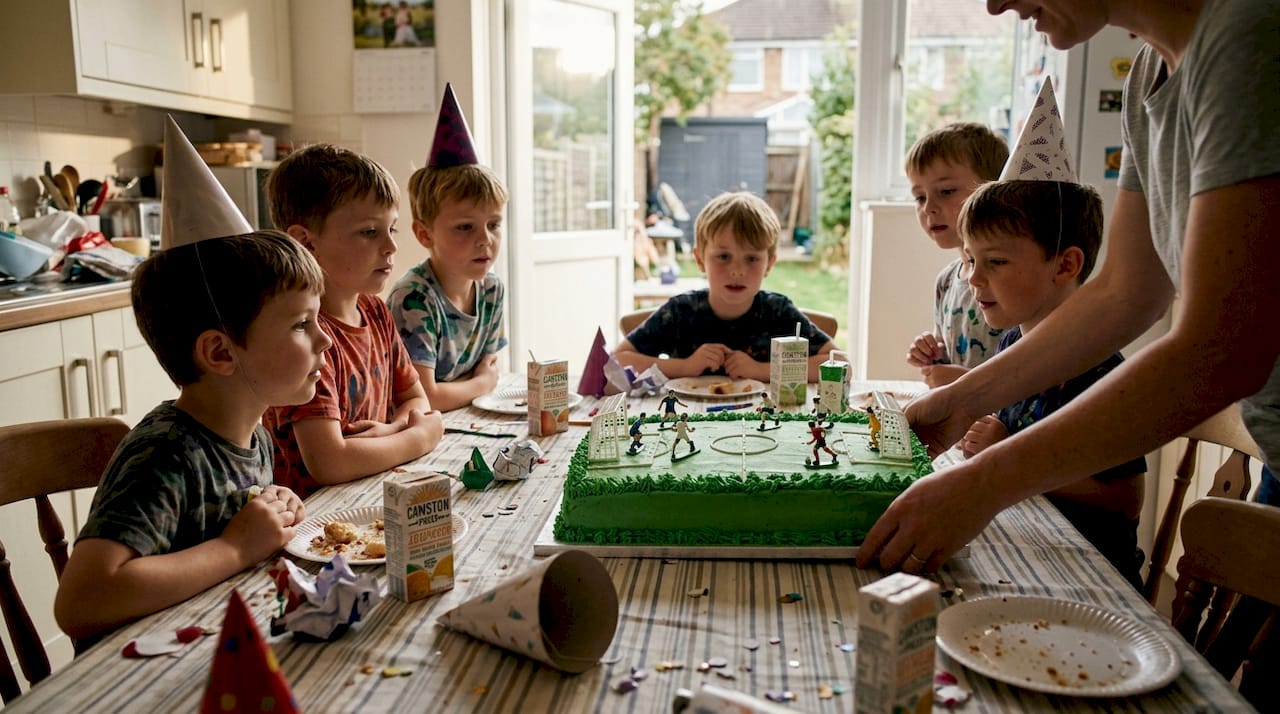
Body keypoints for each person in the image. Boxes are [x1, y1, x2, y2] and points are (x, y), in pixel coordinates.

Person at [859, 1, 1280, 592]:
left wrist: (986, 482)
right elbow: (1123, 293)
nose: (994, 4)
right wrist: (959, 401)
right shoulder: (1144, 79)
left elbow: (1224, 346)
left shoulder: (1251, 38)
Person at [54, 118, 325, 643]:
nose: (325, 340)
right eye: (300, 324)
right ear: (220, 352)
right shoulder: (167, 455)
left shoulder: (255, 437)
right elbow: (81, 601)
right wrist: (234, 549)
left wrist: (273, 508)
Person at [960, 179, 1148, 587]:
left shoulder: (1097, 368)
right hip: (1029, 542)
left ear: (1065, 266)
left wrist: (1006, 455)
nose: (973, 279)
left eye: (995, 262)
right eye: (969, 260)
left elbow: (1125, 499)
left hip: (1089, 576)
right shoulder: (1013, 340)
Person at [264, 143, 444, 499]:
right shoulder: (304, 336)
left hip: (369, 491)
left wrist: (387, 432)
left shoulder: (375, 311)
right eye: (369, 232)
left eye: (392, 229)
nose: (391, 246)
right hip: (314, 522)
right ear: (306, 243)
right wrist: (418, 436)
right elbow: (330, 462)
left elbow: (415, 397)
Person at [614, 191, 834, 381]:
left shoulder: (777, 312)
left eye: (751, 259)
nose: (737, 271)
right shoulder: (680, 312)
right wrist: (686, 367)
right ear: (700, 260)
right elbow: (616, 362)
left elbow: (839, 363)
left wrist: (760, 370)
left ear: (770, 263)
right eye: (723, 256)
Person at [389, 83, 509, 412]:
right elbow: (426, 397)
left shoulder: (492, 290)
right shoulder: (414, 299)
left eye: (494, 224)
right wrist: (482, 384)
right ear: (424, 235)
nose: (485, 239)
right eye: (465, 227)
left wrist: (472, 385)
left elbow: (489, 364)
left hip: (464, 418)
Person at [903, 123, 1009, 388]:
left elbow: (1029, 372)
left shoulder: (1009, 279)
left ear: (993, 189)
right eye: (919, 197)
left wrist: (965, 383)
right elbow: (953, 358)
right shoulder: (946, 281)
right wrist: (933, 355)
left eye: (946, 191)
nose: (929, 208)